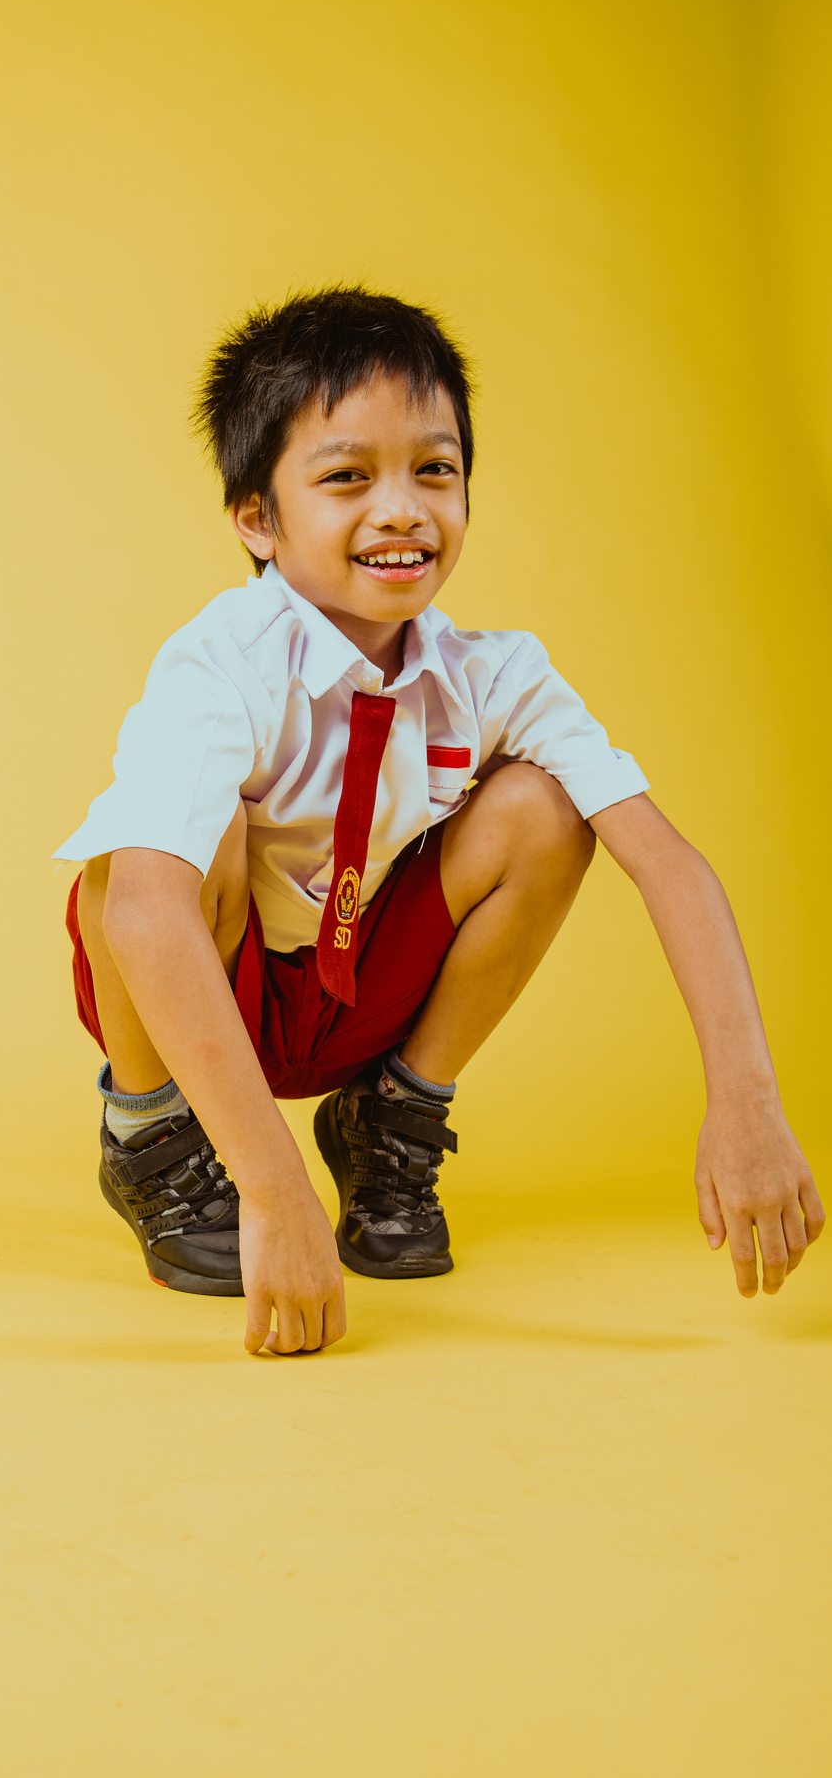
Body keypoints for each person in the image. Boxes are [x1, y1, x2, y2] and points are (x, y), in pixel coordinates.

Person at [54, 285, 823, 1356]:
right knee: (141, 854)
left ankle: (390, 1121)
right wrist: (274, 1190)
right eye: (345, 477)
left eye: (434, 468)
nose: (402, 509)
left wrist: (744, 1101)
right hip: (205, 995)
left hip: (355, 988)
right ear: (256, 519)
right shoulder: (220, 665)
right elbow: (139, 912)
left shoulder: (493, 674)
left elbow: (669, 862)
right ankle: (154, 1139)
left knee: (547, 808)